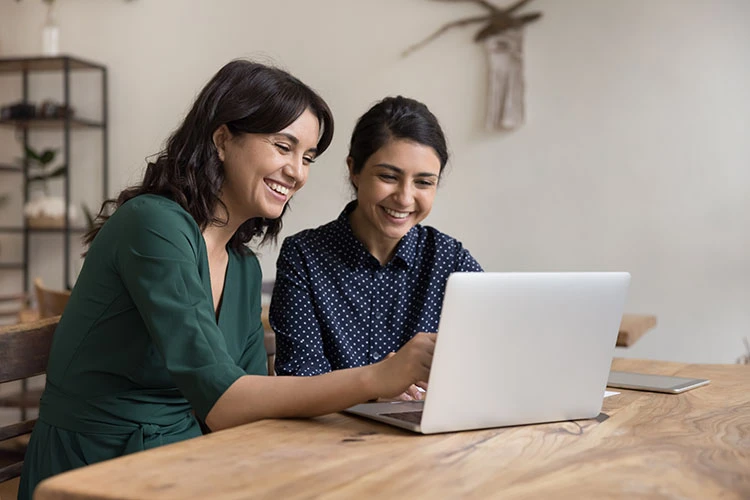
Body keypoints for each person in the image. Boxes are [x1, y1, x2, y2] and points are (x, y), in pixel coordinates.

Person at [18, 62, 435, 499]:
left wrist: (370, 397)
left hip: (187, 459)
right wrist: (377, 377)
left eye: (307, 157)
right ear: (222, 139)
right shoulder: (153, 225)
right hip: (95, 471)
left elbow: (250, 405)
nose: (297, 172)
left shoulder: (242, 266)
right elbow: (225, 401)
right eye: (283, 146)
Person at [270, 96, 482, 399]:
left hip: (428, 436)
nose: (405, 198)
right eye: (388, 177)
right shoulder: (304, 256)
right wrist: (377, 386)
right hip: (331, 437)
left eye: (423, 183)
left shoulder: (450, 260)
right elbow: (299, 378)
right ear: (354, 170)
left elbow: (490, 359)